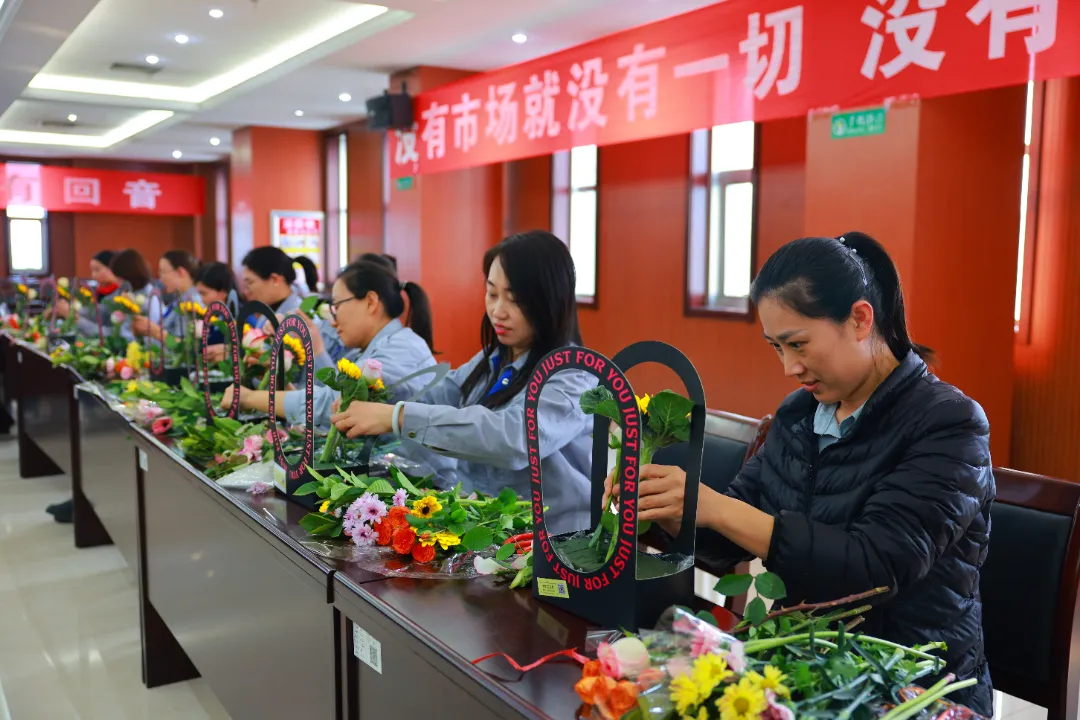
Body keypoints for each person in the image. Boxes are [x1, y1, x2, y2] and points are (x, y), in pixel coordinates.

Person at [614, 233, 994, 714]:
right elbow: (731, 536)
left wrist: (718, 508)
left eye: (798, 344)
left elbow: (873, 570)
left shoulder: (948, 424)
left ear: (860, 319)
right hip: (804, 669)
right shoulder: (799, 414)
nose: (789, 367)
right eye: (777, 347)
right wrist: (670, 508)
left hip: (907, 687)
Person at [329, 230, 594, 535]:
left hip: (554, 541)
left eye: (515, 299)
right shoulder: (494, 359)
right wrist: (377, 399)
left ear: (550, 301)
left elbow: (514, 437)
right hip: (489, 531)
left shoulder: (573, 376)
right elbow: (442, 393)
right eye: (492, 294)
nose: (498, 311)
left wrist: (398, 416)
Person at [223, 260, 437, 428]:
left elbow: (332, 405)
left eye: (337, 306)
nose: (333, 321)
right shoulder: (364, 351)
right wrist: (277, 377)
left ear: (371, 302)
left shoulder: (401, 348)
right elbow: (324, 398)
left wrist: (249, 398)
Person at [132, 250, 202, 339]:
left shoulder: (192, 304)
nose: (161, 279)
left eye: (163, 272)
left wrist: (156, 332)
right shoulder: (178, 299)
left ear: (180, 272)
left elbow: (183, 345)